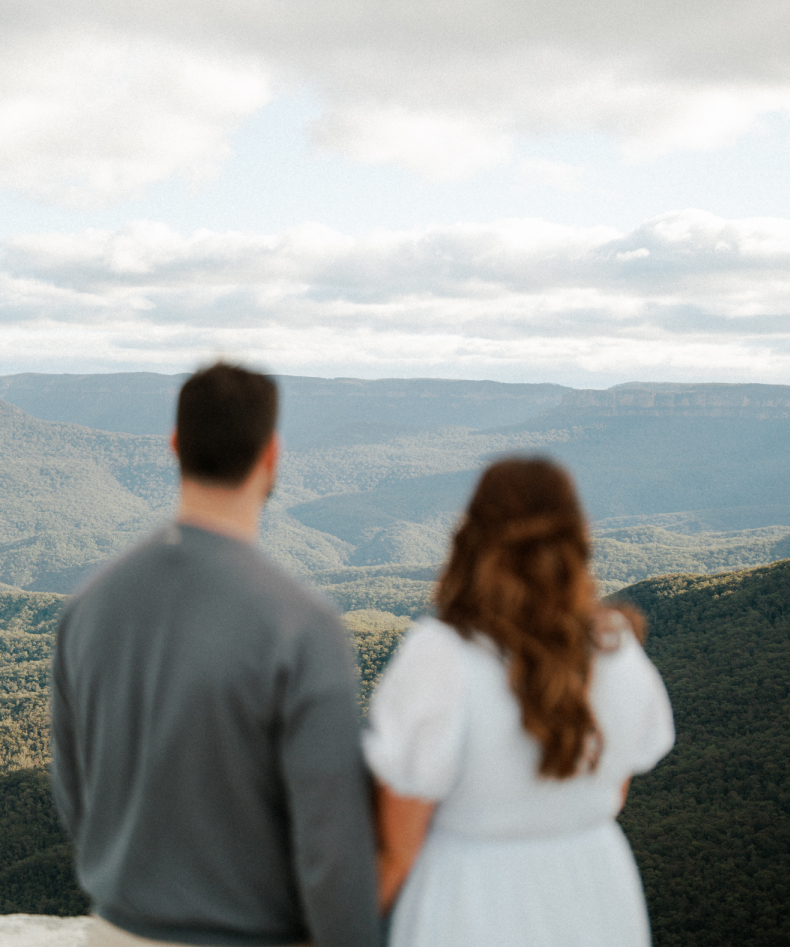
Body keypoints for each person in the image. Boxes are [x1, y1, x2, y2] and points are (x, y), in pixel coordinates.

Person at [51, 361, 381, 947]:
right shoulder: (303, 626)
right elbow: (331, 842)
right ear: (272, 455)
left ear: (175, 446)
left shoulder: (86, 608)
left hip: (116, 929)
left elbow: (76, 794)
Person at [363, 457, 674, 947]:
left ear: (472, 538)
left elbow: (398, 847)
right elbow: (611, 795)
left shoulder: (442, 654)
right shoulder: (618, 651)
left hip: (472, 901)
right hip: (595, 892)